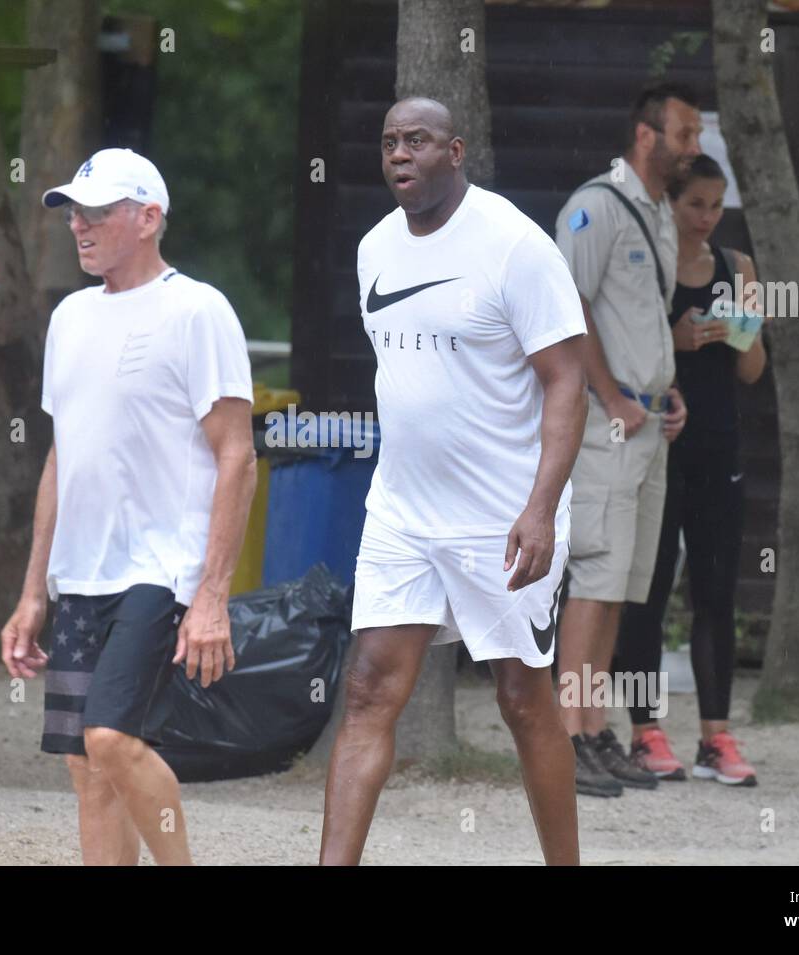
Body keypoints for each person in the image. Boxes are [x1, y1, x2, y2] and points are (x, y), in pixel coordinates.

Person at [319, 97, 588, 866]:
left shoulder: (513, 246)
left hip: (503, 517)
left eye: (418, 141)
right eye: (389, 142)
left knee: (521, 698)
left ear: (456, 150)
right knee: (369, 687)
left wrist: (540, 509)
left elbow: (567, 380)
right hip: (403, 513)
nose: (400, 154)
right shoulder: (375, 248)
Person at [0, 148, 257, 865]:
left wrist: (212, 593)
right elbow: (62, 456)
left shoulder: (198, 310)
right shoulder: (70, 317)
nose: (79, 225)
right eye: (73, 212)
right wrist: (31, 593)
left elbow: (238, 455)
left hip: (161, 569)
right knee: (88, 765)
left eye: (98, 212)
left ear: (149, 218)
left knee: (111, 737)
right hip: (80, 573)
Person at [553, 83, 699, 797]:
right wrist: (611, 395)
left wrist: (664, 392)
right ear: (646, 135)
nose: (694, 146)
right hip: (606, 425)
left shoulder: (661, 216)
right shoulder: (594, 207)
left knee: (621, 588)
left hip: (648, 424)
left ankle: (594, 726)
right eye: (685, 132)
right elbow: (566, 306)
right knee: (594, 578)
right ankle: (566, 734)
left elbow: (644, 321)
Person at [616, 154, 767, 786]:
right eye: (694, 204)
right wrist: (675, 340)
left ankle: (716, 737)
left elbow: (754, 370)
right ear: (669, 205)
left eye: (716, 204)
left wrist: (738, 329)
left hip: (718, 450)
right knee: (644, 595)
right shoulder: (647, 265)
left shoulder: (740, 269)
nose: (706, 217)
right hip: (655, 449)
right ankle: (646, 731)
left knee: (716, 593)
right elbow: (624, 349)